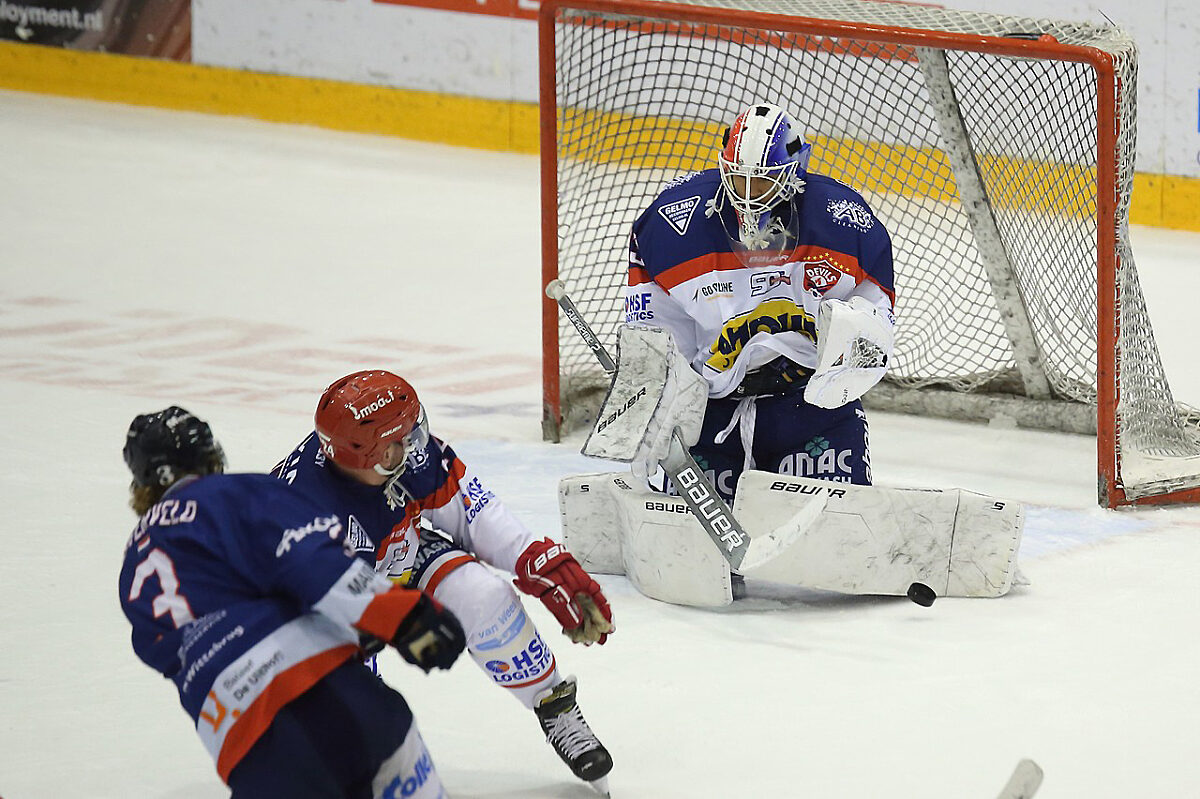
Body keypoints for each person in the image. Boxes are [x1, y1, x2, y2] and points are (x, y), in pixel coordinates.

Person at [273, 370, 615, 791]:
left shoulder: (398, 457)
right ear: (366, 456)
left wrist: (537, 561)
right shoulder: (306, 522)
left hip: (401, 557)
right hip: (312, 613)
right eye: (401, 441)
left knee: (486, 597)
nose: (416, 446)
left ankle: (553, 706)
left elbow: (473, 512)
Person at [118, 406, 466, 798]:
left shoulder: (133, 571)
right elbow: (312, 562)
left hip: (251, 755)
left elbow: (176, 650)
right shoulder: (233, 494)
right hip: (335, 702)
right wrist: (408, 617)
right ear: (209, 456)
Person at [624, 101, 896, 500]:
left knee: (833, 540)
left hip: (812, 414)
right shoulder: (670, 226)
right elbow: (655, 333)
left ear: (795, 171)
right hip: (710, 417)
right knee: (692, 551)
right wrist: (657, 402)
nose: (748, 195)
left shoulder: (844, 221)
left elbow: (875, 322)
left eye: (764, 182)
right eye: (738, 179)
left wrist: (844, 364)